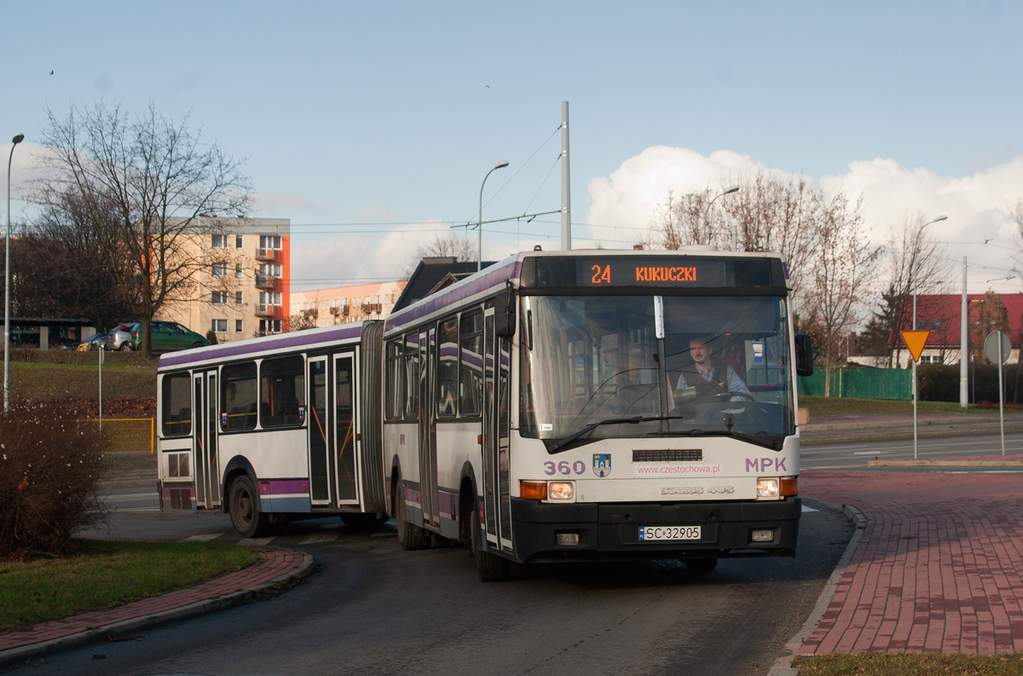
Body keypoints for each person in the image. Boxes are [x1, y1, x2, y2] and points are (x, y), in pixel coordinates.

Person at [675, 336, 750, 402]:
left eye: (701, 348)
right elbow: (680, 403)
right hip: (698, 417)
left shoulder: (725, 369)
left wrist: (732, 404)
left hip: (724, 415)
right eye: (693, 349)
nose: (697, 352)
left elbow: (742, 391)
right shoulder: (685, 376)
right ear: (690, 353)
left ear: (710, 350)